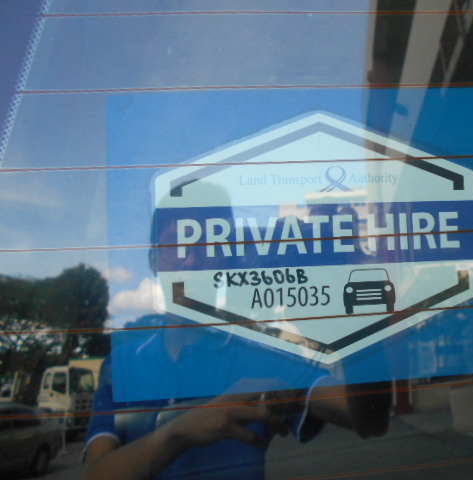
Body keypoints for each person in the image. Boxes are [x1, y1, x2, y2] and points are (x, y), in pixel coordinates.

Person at [82, 202, 390, 480]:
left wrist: (353, 320)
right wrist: (180, 431)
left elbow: (369, 419)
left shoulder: (265, 355)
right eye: (176, 244)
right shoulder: (121, 365)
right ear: (154, 261)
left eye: (207, 244)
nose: (191, 261)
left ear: (226, 261)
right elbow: (96, 474)